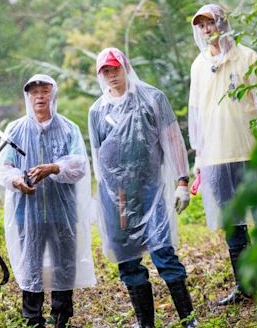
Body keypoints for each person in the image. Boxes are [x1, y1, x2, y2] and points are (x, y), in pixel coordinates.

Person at [88, 47, 197, 328]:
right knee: (128, 260)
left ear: (126, 67)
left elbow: (172, 140)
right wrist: (104, 199)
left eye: (115, 68)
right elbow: (98, 158)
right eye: (106, 71)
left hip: (151, 191)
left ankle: (188, 319)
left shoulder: (151, 98)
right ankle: (145, 323)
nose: (111, 75)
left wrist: (181, 181)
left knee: (163, 252)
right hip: (118, 197)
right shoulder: (98, 111)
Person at [0, 74, 96, 328]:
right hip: (27, 212)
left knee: (64, 262)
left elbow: (79, 165)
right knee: (31, 262)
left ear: (54, 94)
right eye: (34, 92)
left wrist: (54, 167)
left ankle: (61, 315)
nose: (39, 96)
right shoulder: (15, 130)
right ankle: (33, 317)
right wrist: (17, 180)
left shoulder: (68, 128)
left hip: (63, 213)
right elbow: (3, 166)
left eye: (45, 90)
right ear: (27, 97)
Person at [188, 4, 257, 305]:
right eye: (202, 26)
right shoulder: (198, 66)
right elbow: (195, 114)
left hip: (250, 152)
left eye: (211, 23)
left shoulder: (247, 57)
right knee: (233, 226)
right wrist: (199, 157)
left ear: (223, 23)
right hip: (215, 158)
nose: (207, 30)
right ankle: (246, 287)